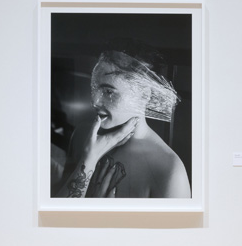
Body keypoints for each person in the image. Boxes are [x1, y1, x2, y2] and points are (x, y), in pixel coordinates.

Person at [53, 46, 190, 198]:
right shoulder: (82, 136)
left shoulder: (168, 170)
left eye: (108, 92)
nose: (95, 101)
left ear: (144, 95)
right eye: (95, 88)